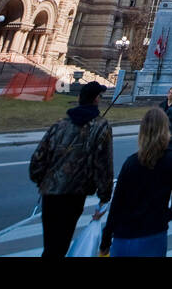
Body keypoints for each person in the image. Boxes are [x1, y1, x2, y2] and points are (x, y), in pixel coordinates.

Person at [29, 81, 114, 257]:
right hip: (75, 193)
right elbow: (103, 164)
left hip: (50, 192)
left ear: (78, 98)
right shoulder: (100, 126)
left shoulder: (60, 125)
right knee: (60, 244)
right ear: (96, 100)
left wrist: (42, 180)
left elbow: (38, 159)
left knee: (51, 245)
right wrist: (104, 196)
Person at [100, 108, 172, 257]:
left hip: (124, 235)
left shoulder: (130, 163)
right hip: (153, 232)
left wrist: (106, 239)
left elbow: (117, 203)